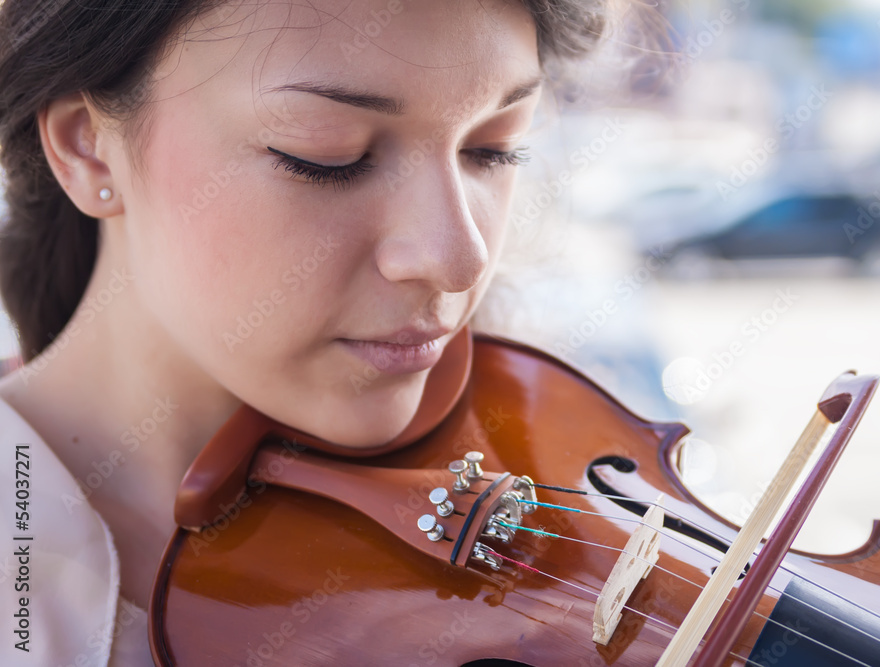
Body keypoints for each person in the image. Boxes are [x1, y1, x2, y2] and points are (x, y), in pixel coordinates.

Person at [0, 0, 622, 663]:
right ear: (88, 147)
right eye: (329, 156)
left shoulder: (536, 449)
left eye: (493, 149)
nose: (458, 257)